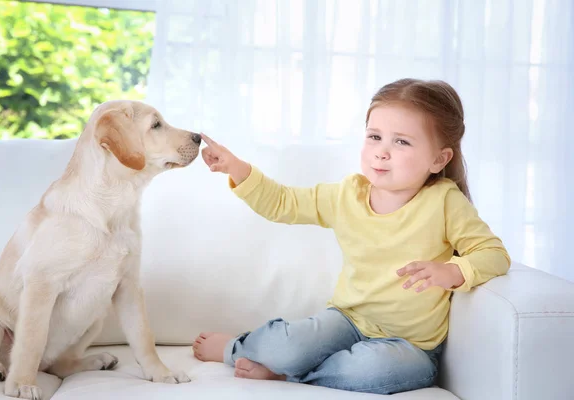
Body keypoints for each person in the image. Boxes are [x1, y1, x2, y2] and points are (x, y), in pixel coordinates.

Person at [192, 78, 511, 394]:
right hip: (347, 320)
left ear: (439, 159)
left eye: (401, 142)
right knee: (284, 346)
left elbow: (494, 254)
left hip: (411, 345)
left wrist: (453, 271)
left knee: (371, 371)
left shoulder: (445, 201)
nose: (382, 152)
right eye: (375, 136)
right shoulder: (348, 195)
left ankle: (285, 376)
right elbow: (282, 203)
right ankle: (237, 348)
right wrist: (236, 168)